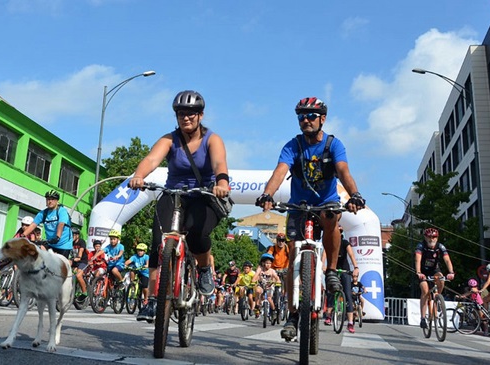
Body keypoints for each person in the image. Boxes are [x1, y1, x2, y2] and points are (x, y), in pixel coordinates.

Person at [255, 97, 366, 340]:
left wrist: (355, 194)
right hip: (299, 205)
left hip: (325, 203)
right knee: (293, 257)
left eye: (311, 116)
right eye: (301, 117)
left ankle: (332, 271)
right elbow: (280, 170)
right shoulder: (293, 145)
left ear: (322, 119)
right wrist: (267, 194)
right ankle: (292, 316)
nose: (305, 120)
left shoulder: (333, 144)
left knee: (332, 218)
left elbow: (343, 170)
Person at [127, 90, 230, 322]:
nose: (186, 118)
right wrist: (139, 175)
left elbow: (219, 162)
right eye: (181, 114)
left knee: (197, 235)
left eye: (191, 114)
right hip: (174, 194)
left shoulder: (212, 139)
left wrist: (222, 181)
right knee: (157, 244)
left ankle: (204, 270)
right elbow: (152, 159)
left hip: (202, 195)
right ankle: (153, 300)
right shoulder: (170, 139)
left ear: (200, 115)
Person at [415, 227, 455, 329]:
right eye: (429, 237)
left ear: (437, 238)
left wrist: (451, 272)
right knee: (425, 290)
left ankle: (437, 298)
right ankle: (423, 318)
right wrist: (419, 272)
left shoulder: (440, 247)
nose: (431, 239)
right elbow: (417, 260)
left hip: (434, 269)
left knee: (441, 278)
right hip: (423, 270)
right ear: (425, 237)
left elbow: (447, 260)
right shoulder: (421, 246)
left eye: (434, 237)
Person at [324, 227, 359, 333]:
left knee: (348, 295)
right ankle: (329, 316)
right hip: (332, 269)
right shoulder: (330, 242)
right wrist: (323, 266)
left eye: (339, 232)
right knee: (330, 292)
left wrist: (356, 267)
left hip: (344, 270)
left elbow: (351, 255)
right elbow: (324, 254)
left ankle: (350, 322)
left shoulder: (345, 243)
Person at [21, 190, 72, 259]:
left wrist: (57, 237)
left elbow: (61, 224)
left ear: (57, 201)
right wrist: (23, 235)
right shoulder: (43, 213)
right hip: (50, 243)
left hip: (63, 244)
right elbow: (33, 225)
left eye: (52, 199)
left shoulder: (62, 211)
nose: (50, 201)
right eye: (48, 199)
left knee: (59, 266)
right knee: (39, 256)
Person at [253, 253, 281, 319]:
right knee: (257, 291)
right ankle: (257, 306)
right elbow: (255, 275)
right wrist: (253, 281)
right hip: (261, 285)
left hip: (269, 286)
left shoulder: (272, 271)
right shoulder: (260, 269)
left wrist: (278, 282)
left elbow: (277, 278)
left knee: (269, 298)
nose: (268, 265)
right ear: (263, 263)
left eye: (270, 263)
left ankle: (273, 310)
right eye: (266, 263)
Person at [71, 227, 89, 298]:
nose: (71, 236)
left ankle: (84, 293)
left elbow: (81, 251)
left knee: (78, 275)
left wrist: (79, 257)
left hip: (83, 261)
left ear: (77, 235)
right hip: (74, 261)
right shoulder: (70, 242)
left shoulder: (81, 241)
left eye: (73, 235)